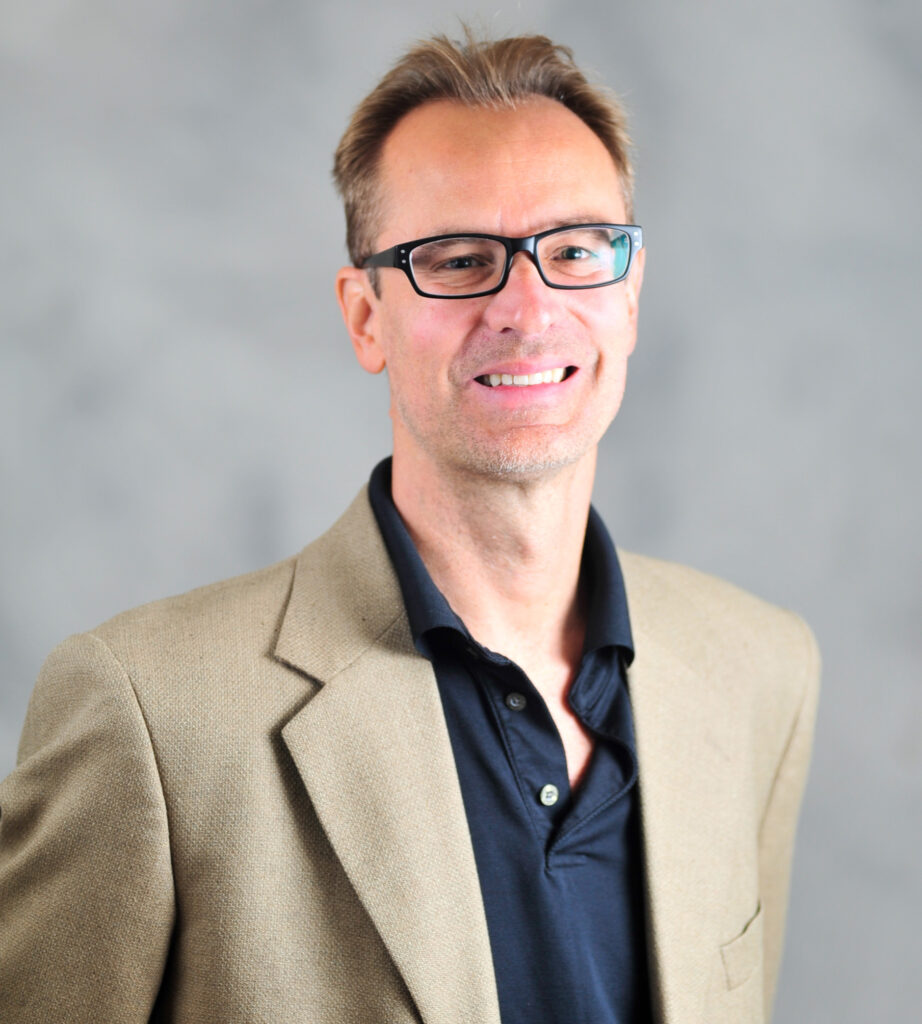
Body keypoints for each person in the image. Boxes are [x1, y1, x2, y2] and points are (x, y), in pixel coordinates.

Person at [0, 31, 819, 1024]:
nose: (527, 306)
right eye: (460, 259)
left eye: (574, 251)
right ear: (364, 316)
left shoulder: (758, 669)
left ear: (629, 296)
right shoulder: (149, 717)